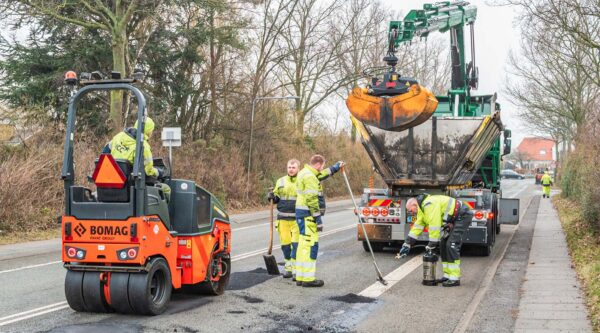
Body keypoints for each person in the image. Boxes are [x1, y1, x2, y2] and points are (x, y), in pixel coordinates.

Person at [400, 194, 473, 287]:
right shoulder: (422, 210)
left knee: (451, 245)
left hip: (462, 215)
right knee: (443, 244)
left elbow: (435, 225)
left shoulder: (429, 204)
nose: (411, 212)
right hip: (455, 217)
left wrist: (432, 244)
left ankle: (455, 278)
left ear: (414, 204)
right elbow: (417, 227)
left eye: (411, 210)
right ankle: (447, 276)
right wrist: (407, 243)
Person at [294, 155, 343, 287]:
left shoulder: (305, 172)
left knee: (302, 246)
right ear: (318, 164)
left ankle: (300, 276)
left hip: (301, 216)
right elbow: (311, 199)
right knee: (311, 246)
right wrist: (318, 219)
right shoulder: (310, 177)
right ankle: (309, 279)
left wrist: (335, 167)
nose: (322, 169)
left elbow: (322, 175)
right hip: (308, 216)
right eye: (322, 166)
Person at [107, 116, 171, 199]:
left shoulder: (119, 136)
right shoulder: (143, 146)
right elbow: (148, 171)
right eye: (151, 130)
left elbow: (105, 152)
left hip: (112, 180)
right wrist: (159, 172)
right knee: (166, 188)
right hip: (131, 183)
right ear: (148, 131)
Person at [268, 159, 302, 279]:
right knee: (285, 246)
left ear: (298, 168)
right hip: (282, 219)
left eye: (293, 167)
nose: (291, 169)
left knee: (296, 246)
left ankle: (295, 270)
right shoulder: (280, 181)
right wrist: (272, 197)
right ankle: (288, 268)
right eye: (289, 167)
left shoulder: (302, 181)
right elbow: (277, 198)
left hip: (297, 219)